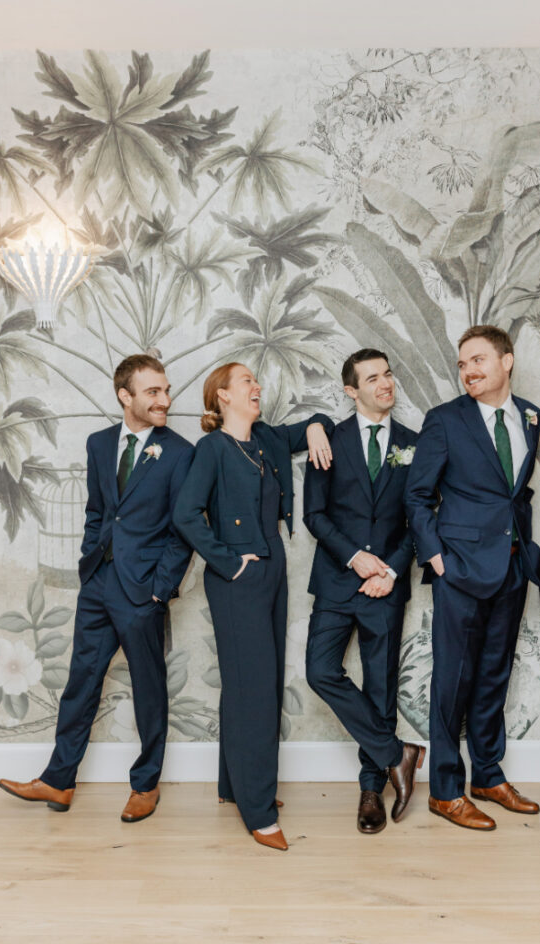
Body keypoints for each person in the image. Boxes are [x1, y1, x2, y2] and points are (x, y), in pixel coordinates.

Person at [0, 355, 194, 823]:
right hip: (99, 584)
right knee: (80, 682)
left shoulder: (182, 452)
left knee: (149, 689)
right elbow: (97, 511)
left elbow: (184, 530)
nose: (165, 399)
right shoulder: (99, 444)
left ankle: (145, 785)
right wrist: (90, 562)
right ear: (125, 396)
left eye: (166, 390)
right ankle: (59, 779)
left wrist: (159, 591)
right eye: (153, 392)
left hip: (143, 591)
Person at [172, 363, 333, 852]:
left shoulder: (265, 438)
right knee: (254, 692)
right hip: (237, 579)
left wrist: (316, 424)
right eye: (246, 381)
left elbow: (313, 424)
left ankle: (232, 786)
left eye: (255, 380)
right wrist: (227, 562)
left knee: (251, 684)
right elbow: (185, 514)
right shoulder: (212, 449)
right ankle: (258, 811)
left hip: (274, 572)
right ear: (222, 396)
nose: (256, 386)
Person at [405, 325, 540, 831]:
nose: (469, 371)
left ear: (507, 361)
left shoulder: (530, 415)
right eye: (462, 364)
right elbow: (417, 496)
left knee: (493, 677)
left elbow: (513, 494)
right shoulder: (444, 420)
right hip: (458, 568)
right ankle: (445, 789)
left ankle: (487, 775)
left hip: (511, 566)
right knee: (452, 682)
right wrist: (436, 557)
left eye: (478, 360)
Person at [304, 349, 423, 835]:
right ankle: (399, 754)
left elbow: (420, 517)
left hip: (387, 586)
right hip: (337, 579)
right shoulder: (327, 439)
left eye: (388, 374)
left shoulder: (415, 444)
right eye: (372, 378)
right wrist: (356, 557)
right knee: (319, 670)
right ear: (352, 390)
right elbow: (315, 514)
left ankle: (371, 788)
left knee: (381, 688)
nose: (386, 383)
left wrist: (391, 569)